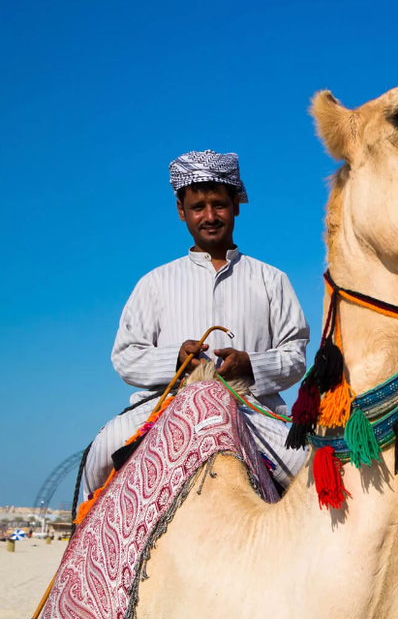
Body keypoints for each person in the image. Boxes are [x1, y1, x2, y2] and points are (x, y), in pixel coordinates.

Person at [82, 150, 309, 495]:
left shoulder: (271, 279)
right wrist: (175, 357)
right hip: (166, 407)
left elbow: (295, 357)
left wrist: (250, 363)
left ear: (235, 204)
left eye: (218, 204)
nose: (209, 216)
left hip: (253, 412)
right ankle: (84, 543)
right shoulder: (155, 282)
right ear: (181, 211)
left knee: (313, 466)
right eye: (197, 207)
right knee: (102, 449)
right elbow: (126, 357)